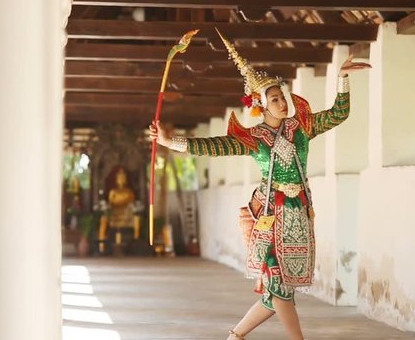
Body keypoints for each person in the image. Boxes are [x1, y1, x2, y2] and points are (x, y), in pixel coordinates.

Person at [149, 31, 370, 340]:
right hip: (269, 214)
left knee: (277, 291)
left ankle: (235, 336)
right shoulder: (254, 138)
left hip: (299, 213)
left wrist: (343, 78)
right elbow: (214, 146)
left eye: (283, 97)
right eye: (275, 99)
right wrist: (169, 141)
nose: (282, 102)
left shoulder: (302, 128)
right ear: (261, 105)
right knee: (278, 282)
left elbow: (338, 114)